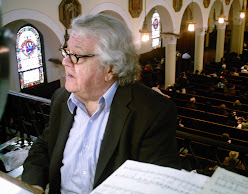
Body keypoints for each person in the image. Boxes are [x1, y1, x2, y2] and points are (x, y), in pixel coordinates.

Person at [21, 14, 180, 193]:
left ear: (110, 67)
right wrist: (33, 186)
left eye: (76, 56)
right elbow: (43, 147)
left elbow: (155, 185)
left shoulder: (152, 113)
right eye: (66, 51)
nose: (65, 62)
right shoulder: (62, 97)